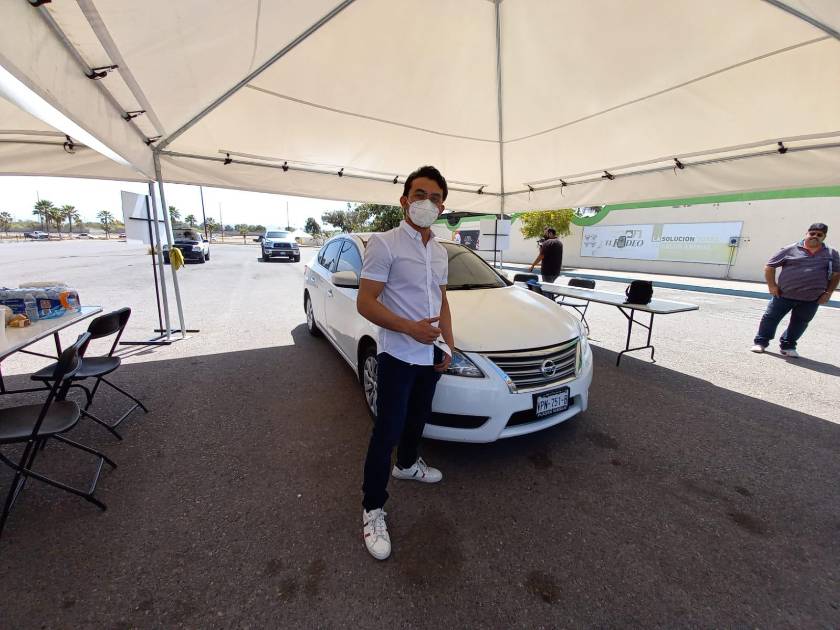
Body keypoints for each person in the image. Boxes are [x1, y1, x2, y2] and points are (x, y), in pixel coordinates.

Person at [356, 165, 455, 560]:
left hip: (430, 353)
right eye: (420, 195)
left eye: (435, 198)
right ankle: (372, 508)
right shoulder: (384, 244)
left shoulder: (441, 251)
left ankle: (409, 465)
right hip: (396, 354)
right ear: (404, 200)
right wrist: (409, 329)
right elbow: (366, 302)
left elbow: (442, 301)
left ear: (442, 207)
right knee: (387, 431)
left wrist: (448, 344)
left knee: (418, 418)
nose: (427, 203)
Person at [751, 222, 839, 357]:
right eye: (812, 233)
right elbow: (770, 266)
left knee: (800, 323)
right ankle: (761, 342)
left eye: (819, 235)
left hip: (812, 298)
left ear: (824, 237)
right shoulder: (790, 249)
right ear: (806, 233)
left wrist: (828, 293)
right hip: (783, 295)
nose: (815, 236)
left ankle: (788, 346)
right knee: (770, 318)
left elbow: (836, 274)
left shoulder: (832, 253)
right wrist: (772, 286)